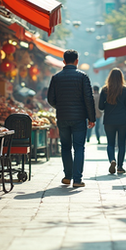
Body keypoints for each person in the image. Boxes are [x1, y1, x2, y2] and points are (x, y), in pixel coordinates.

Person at [47, 50, 96, 188]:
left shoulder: (56, 77)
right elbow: (88, 98)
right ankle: (77, 179)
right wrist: (91, 117)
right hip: (79, 118)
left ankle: (67, 176)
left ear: (63, 61)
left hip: (62, 117)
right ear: (77, 61)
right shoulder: (83, 77)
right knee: (79, 147)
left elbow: (50, 99)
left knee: (66, 147)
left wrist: (60, 106)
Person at [99, 69, 126, 175]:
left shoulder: (104, 90)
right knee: (121, 144)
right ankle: (120, 166)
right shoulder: (125, 90)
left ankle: (112, 160)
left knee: (110, 143)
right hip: (122, 120)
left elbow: (100, 107)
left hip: (109, 120)